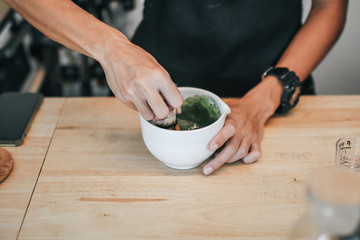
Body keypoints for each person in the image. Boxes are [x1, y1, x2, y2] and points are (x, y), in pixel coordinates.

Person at [4, 0, 348, 175]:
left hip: (278, 86)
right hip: (152, 84)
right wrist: (111, 50)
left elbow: (330, 7)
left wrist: (268, 96)